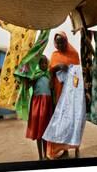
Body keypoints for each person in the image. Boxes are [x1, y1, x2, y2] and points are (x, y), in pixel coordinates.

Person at [44, 31, 82, 159]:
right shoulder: (54, 55)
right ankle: (63, 150)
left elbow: (78, 75)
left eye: (62, 41)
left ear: (66, 41)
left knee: (72, 120)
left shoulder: (74, 54)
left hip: (71, 93)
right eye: (58, 42)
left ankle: (76, 148)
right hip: (59, 92)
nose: (60, 44)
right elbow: (51, 73)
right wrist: (58, 67)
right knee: (60, 121)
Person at [26, 55, 53, 160]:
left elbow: (53, 88)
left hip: (48, 105)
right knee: (39, 132)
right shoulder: (35, 76)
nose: (44, 65)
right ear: (38, 64)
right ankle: (40, 156)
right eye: (41, 63)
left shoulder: (49, 76)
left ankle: (46, 155)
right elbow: (27, 84)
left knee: (46, 131)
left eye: (45, 63)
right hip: (37, 105)